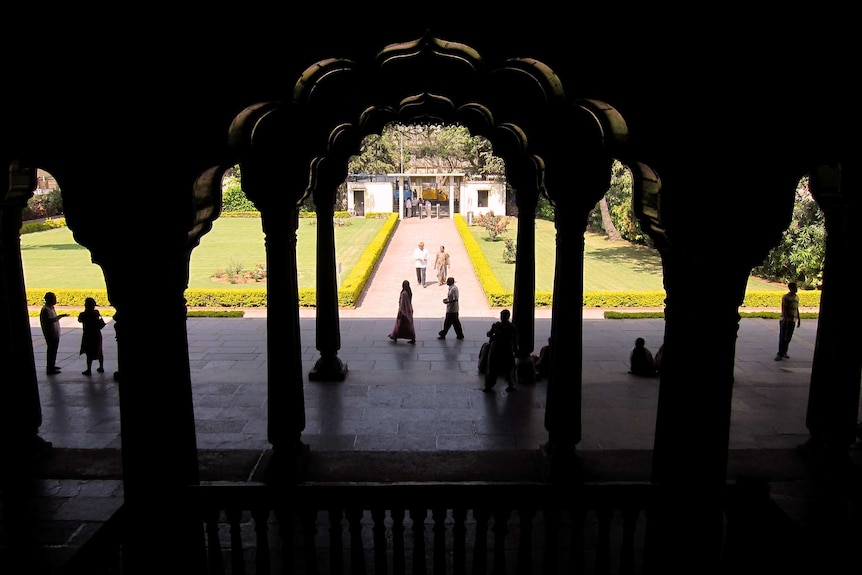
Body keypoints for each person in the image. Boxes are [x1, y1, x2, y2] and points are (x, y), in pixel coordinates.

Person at [483, 309, 518, 392]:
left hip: (497, 347)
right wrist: (515, 348)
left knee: (493, 367)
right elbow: (515, 339)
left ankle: (489, 385)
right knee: (507, 367)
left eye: (503, 315)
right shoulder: (511, 327)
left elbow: (489, 334)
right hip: (505, 348)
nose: (502, 317)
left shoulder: (499, 326)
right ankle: (510, 384)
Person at [40, 291, 68, 375]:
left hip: (54, 333)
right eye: (54, 298)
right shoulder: (45, 310)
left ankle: (52, 365)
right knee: (51, 351)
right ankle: (50, 368)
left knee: (53, 350)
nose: (55, 300)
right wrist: (59, 317)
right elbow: (49, 320)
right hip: (50, 334)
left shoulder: (51, 308)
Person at [77, 297, 106, 375]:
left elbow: (79, 320)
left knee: (89, 352)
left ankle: (89, 369)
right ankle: (101, 367)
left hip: (88, 335)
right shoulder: (96, 313)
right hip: (96, 334)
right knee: (99, 351)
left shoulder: (83, 314)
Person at [775, 281, 801, 361]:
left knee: (789, 337)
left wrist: (799, 319)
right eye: (795, 288)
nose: (796, 289)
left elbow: (796, 308)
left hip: (793, 320)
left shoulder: (796, 297)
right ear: (791, 288)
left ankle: (784, 352)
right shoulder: (785, 297)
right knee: (783, 337)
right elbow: (784, 309)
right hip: (785, 320)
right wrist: (785, 319)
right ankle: (779, 354)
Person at [388, 280, 416, 344]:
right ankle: (412, 337)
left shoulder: (404, 293)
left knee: (399, 325)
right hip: (409, 310)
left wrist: (401, 311)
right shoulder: (409, 292)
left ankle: (395, 335)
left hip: (404, 311)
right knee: (408, 325)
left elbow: (403, 304)